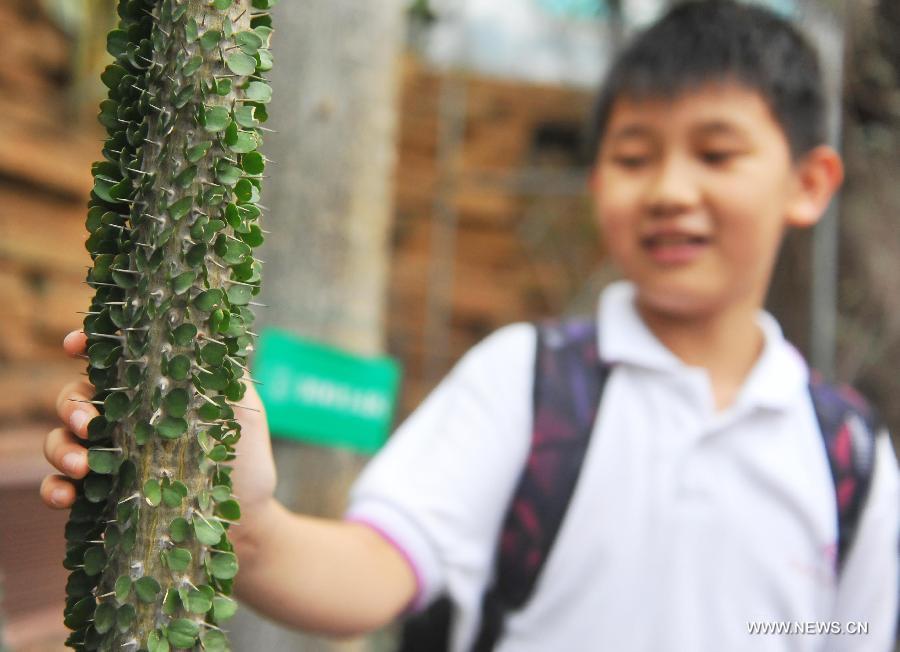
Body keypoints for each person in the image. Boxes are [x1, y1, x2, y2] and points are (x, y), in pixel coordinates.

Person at [41, 2, 898, 651]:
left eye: (716, 153)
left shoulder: (848, 455)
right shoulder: (526, 381)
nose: (672, 190)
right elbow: (377, 571)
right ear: (597, 183)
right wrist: (251, 521)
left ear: (810, 183)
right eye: (636, 156)